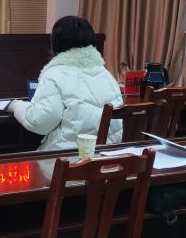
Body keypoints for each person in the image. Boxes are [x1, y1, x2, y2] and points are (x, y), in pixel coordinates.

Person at [7, 15, 123, 150]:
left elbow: (40, 122)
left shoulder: (54, 74)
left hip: (69, 157)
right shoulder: (106, 75)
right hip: (108, 156)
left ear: (55, 43)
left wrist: (15, 106)